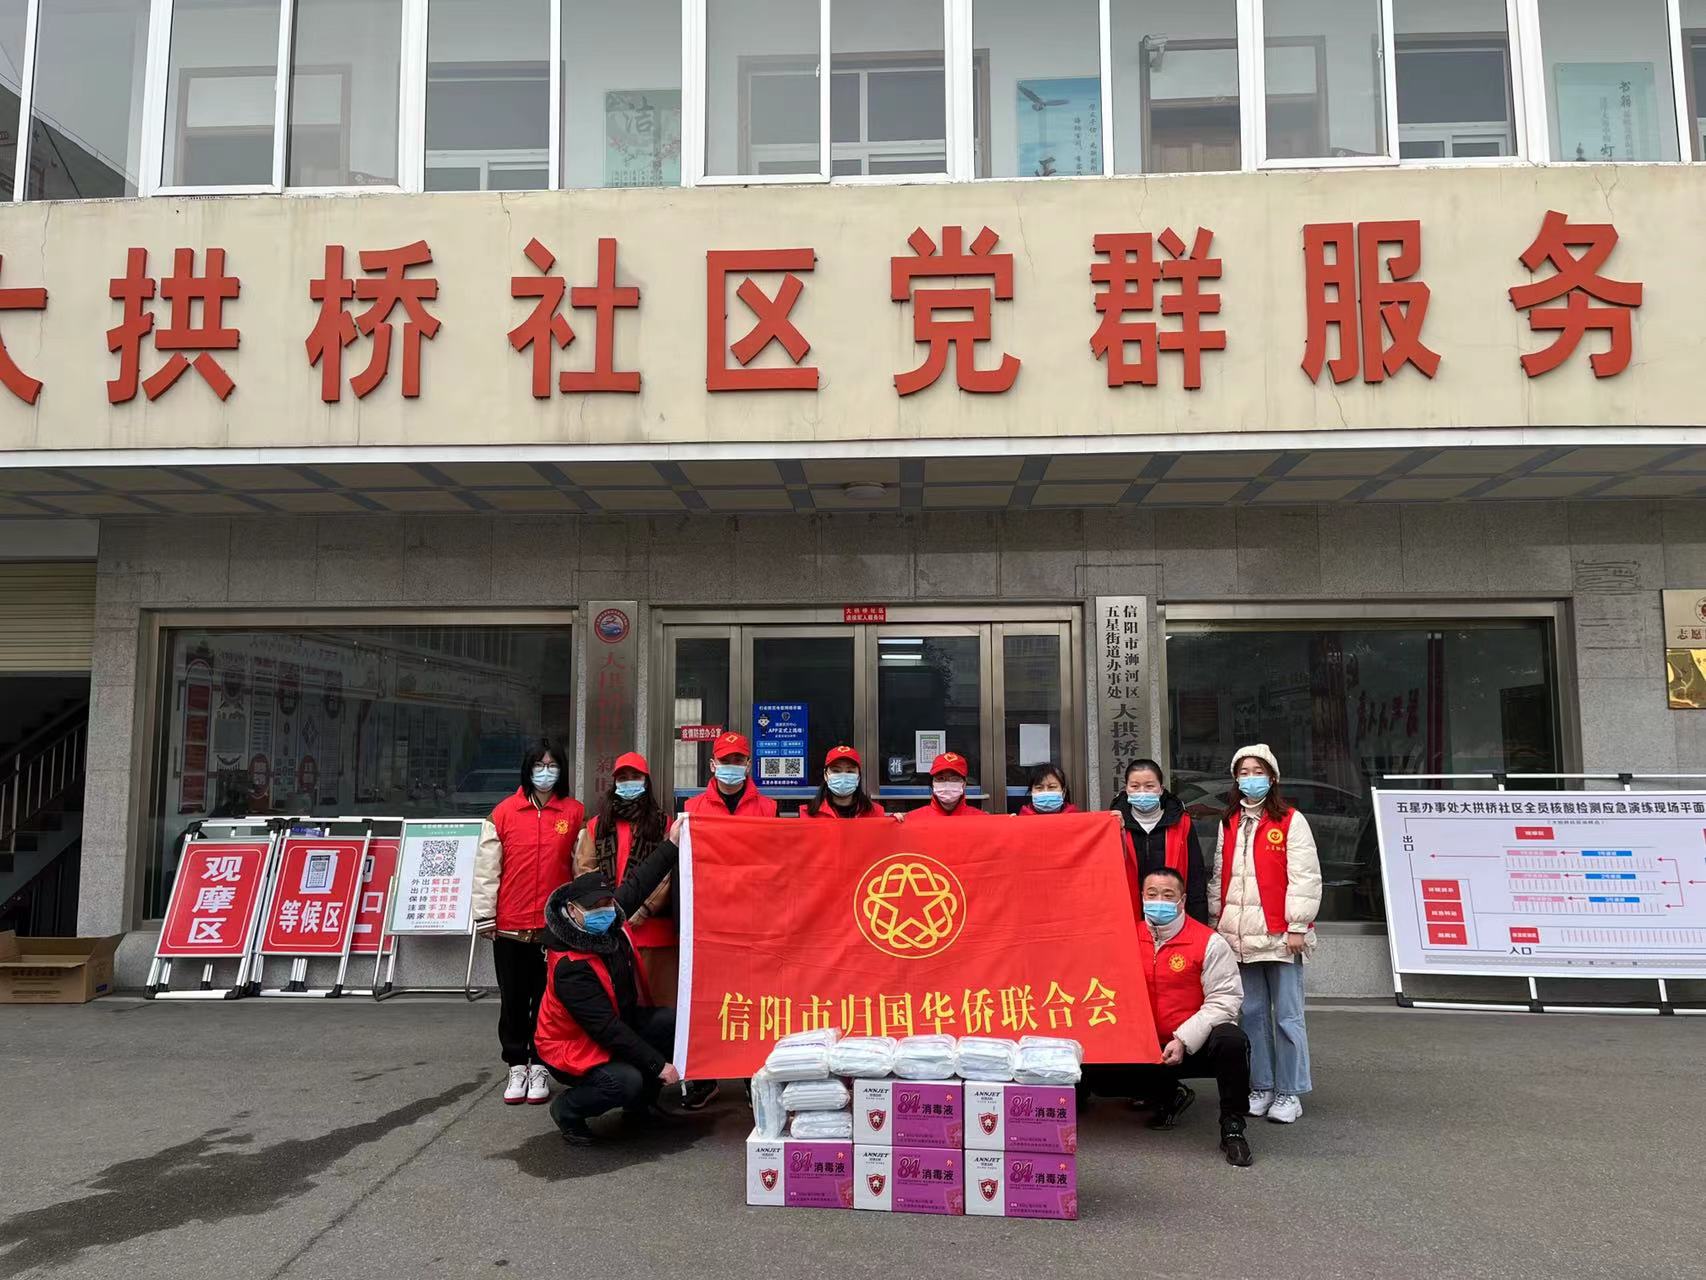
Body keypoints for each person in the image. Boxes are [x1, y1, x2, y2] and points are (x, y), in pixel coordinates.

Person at [535, 820, 688, 1145]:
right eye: (594, 907)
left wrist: (673, 843)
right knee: (626, 1080)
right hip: (572, 1044)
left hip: (618, 1020)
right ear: (572, 911)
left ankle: (640, 1106)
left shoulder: (608, 922)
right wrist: (658, 1065)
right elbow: (606, 1030)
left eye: (606, 903)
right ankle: (567, 1109)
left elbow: (639, 882)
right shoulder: (570, 967)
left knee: (670, 1023)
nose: (604, 911)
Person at [1207, 743, 1320, 1126]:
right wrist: (1217, 922)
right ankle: (1262, 1086)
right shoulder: (1229, 821)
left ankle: (1290, 1091)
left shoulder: (1290, 820)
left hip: (1281, 936)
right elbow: (1220, 876)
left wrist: (1298, 926)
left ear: (1272, 778)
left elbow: (1305, 876)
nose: (1250, 779)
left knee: (1288, 1017)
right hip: (1239, 937)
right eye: (1243, 772)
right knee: (1252, 1015)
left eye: (1258, 772)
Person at [473, 739, 586, 1107]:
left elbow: (580, 869)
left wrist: (580, 918)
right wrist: (485, 915)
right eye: (539, 765)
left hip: (554, 928)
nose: (545, 772)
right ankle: (516, 1064)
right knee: (513, 1000)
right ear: (527, 769)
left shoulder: (574, 813)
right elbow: (486, 870)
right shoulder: (503, 813)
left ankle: (540, 1065)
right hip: (510, 925)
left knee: (548, 1001)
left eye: (553, 766)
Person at [1125, 868, 1253, 1166]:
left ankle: (1233, 1126)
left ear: (1182, 900)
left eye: (1167, 895)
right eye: (1152, 894)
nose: (1159, 901)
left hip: (1191, 1045)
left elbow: (1226, 1000)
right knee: (1101, 1079)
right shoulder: (1126, 937)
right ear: (1142, 897)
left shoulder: (1209, 942)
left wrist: (1183, 1039)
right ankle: (1167, 1094)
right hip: (1142, 1044)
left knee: (1231, 1040)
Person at [1115, 759, 1208, 924]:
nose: (1142, 792)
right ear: (1126, 789)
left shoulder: (1181, 823)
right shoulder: (1114, 824)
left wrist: (1199, 921)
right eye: (1135, 786)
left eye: (1149, 786)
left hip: (1171, 914)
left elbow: (1196, 876)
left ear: (1161, 789)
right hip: (1127, 917)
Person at [683, 731, 779, 818]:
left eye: (738, 760)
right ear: (712, 765)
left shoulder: (769, 810)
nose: (731, 766)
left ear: (748, 766)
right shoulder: (691, 809)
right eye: (724, 761)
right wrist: (676, 833)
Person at [801, 745, 888, 819]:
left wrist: (893, 823)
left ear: (858, 777)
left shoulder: (875, 813)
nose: (843, 776)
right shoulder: (807, 814)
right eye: (836, 771)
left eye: (850, 771)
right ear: (825, 775)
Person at [905, 751, 988, 822]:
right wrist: (898, 823)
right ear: (932, 783)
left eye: (954, 779)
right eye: (941, 778)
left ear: (964, 784)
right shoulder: (913, 819)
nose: (947, 784)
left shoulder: (980, 819)